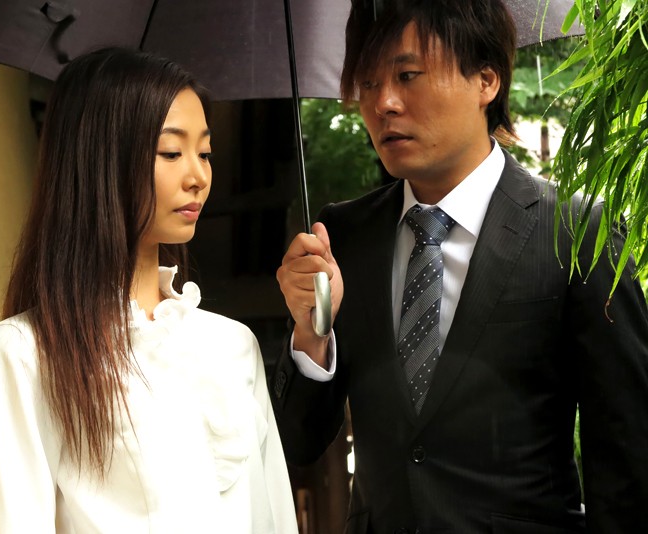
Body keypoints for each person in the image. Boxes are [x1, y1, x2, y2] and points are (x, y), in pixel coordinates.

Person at [271, 1, 648, 532]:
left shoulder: (575, 232)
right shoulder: (341, 239)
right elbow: (296, 441)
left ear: (486, 80)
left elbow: (629, 457)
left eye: (407, 75)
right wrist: (312, 333)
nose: (383, 103)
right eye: (368, 82)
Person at [0, 47, 297, 534]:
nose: (198, 176)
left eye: (205, 153)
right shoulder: (27, 353)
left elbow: (273, 520)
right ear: (99, 160)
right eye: (172, 152)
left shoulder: (233, 345)